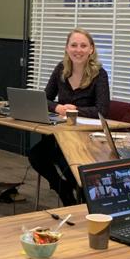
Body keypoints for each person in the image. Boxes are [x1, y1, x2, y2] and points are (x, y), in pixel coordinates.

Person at [27, 29, 110, 203]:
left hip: (85, 136)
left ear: (91, 49)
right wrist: (58, 107)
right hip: (62, 133)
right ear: (67, 48)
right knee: (36, 156)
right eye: (74, 45)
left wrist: (75, 110)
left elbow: (102, 110)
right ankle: (62, 189)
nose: (78, 50)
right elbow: (44, 99)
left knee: (66, 162)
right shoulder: (61, 69)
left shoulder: (100, 74)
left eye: (83, 46)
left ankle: (82, 200)